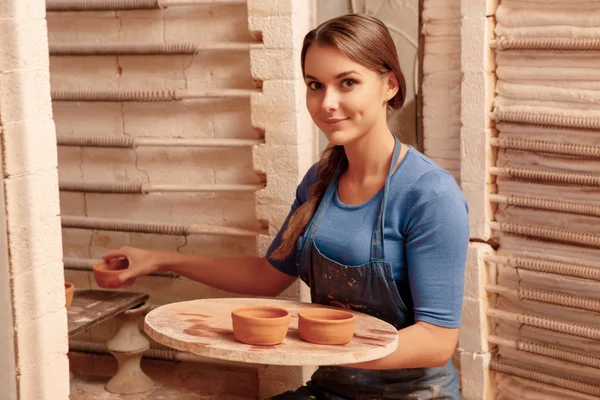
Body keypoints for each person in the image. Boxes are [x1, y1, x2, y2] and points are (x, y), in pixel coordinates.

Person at [103, 13, 469, 400]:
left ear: (389, 85)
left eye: (347, 83)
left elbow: (436, 340)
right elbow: (268, 276)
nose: (328, 103)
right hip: (331, 390)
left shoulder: (430, 196)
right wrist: (158, 259)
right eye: (315, 85)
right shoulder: (319, 181)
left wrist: (310, 348)